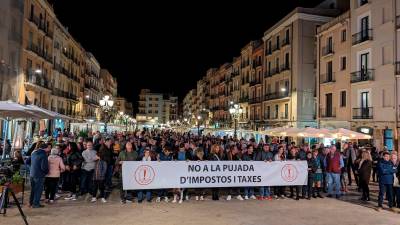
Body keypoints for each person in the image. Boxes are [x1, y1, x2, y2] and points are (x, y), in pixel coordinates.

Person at [27, 142, 49, 208]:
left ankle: (31, 202)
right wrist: (46, 172)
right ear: (45, 148)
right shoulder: (44, 154)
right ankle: (35, 204)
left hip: (32, 173)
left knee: (33, 189)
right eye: (48, 148)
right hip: (39, 175)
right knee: (38, 190)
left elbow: (28, 162)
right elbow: (43, 167)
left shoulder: (33, 153)